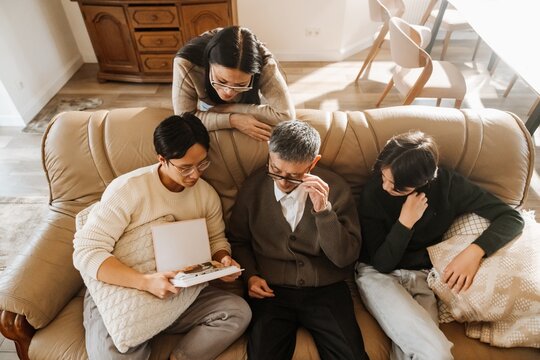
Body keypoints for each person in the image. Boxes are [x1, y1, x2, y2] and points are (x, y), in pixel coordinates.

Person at [73, 113, 251, 360]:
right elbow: (85, 251)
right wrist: (145, 282)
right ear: (162, 159)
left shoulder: (206, 195)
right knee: (113, 354)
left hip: (181, 292)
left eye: (202, 164)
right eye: (185, 167)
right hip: (124, 288)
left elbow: (216, 240)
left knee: (237, 312)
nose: (195, 175)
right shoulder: (128, 189)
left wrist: (223, 260)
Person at [355, 131, 524, 360]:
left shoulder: (449, 187)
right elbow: (382, 263)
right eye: (383, 176)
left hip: (424, 277)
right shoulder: (373, 192)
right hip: (378, 275)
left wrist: (474, 252)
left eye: (396, 187)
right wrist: (405, 223)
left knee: (411, 353)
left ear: (423, 182)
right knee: (436, 352)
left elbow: (512, 218)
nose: (385, 186)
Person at [229, 121, 369, 360]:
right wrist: (250, 276)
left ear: (313, 163)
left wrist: (324, 211)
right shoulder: (253, 189)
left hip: (326, 290)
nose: (282, 182)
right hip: (272, 291)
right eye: (275, 170)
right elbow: (238, 240)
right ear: (269, 153)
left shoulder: (336, 189)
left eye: (294, 176)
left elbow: (345, 257)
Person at [173, 26, 295, 142]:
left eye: (241, 84)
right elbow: (184, 119)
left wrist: (225, 109)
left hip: (232, 106)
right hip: (210, 105)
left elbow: (286, 116)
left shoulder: (265, 64)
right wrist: (232, 119)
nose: (228, 92)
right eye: (221, 81)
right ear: (208, 64)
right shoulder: (186, 63)